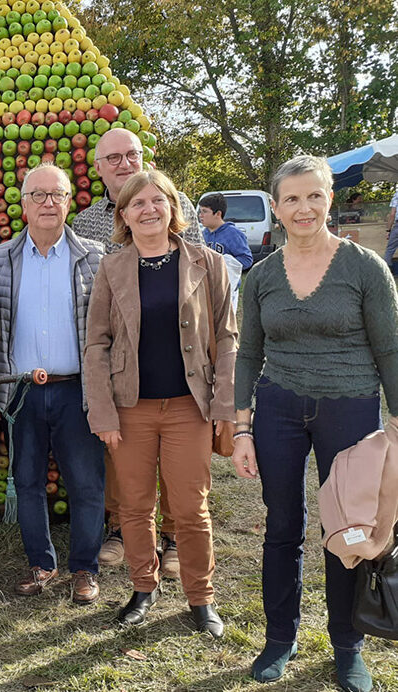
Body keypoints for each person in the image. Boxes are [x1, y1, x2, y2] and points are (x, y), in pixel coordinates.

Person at [232, 156, 398, 692]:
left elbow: (390, 350)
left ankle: (348, 645)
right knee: (281, 528)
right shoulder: (259, 277)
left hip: (349, 408)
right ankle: (280, 637)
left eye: (314, 196)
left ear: (330, 199)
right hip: (277, 409)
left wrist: (396, 421)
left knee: (346, 528)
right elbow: (246, 354)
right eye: (292, 199)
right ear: (276, 209)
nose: (303, 208)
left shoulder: (365, 268)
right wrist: (240, 427)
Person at [85, 170, 236, 638]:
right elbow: (96, 345)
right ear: (124, 216)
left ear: (174, 208)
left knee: (191, 508)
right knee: (133, 506)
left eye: (158, 201)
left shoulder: (207, 263)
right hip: (132, 408)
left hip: (189, 407)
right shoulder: (112, 268)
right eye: (137, 204)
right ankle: (143, 587)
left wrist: (224, 406)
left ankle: (201, 596)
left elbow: (229, 339)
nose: (148, 209)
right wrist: (103, 411)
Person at [71, 129, 204, 575]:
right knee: (121, 454)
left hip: (176, 354)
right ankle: (120, 529)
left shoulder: (174, 203)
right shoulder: (87, 221)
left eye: (131, 154)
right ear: (99, 167)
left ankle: (172, 535)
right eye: (113, 158)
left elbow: (198, 270)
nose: (124, 163)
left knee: (178, 459)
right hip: (121, 362)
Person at [0, 163, 106, 604]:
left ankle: (84, 569)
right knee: (27, 480)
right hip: (19, 391)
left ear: (69, 200)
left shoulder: (94, 256)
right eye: (37, 195)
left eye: (56, 194)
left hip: (76, 387)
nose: (47, 203)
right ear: (22, 204)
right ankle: (41, 564)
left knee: (86, 482)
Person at [199, 192, 253, 310]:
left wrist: (224, 263)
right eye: (200, 211)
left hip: (227, 289)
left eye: (204, 211)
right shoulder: (203, 234)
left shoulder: (233, 234)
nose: (200, 215)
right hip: (208, 288)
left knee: (225, 324)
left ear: (218, 213)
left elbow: (247, 259)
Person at [385, 187, 398, 273]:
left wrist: (388, 230)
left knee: (390, 249)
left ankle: (387, 271)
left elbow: (392, 214)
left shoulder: (397, 195)